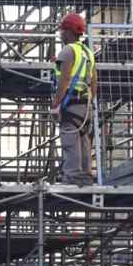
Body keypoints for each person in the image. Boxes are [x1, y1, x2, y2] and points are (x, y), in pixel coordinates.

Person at [51, 12, 97, 185]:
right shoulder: (88, 53)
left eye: (63, 30)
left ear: (69, 32)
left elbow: (64, 80)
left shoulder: (68, 51)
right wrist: (90, 102)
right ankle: (85, 175)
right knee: (84, 141)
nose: (61, 34)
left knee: (70, 140)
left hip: (71, 103)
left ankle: (72, 176)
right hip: (85, 104)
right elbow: (94, 81)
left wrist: (56, 104)